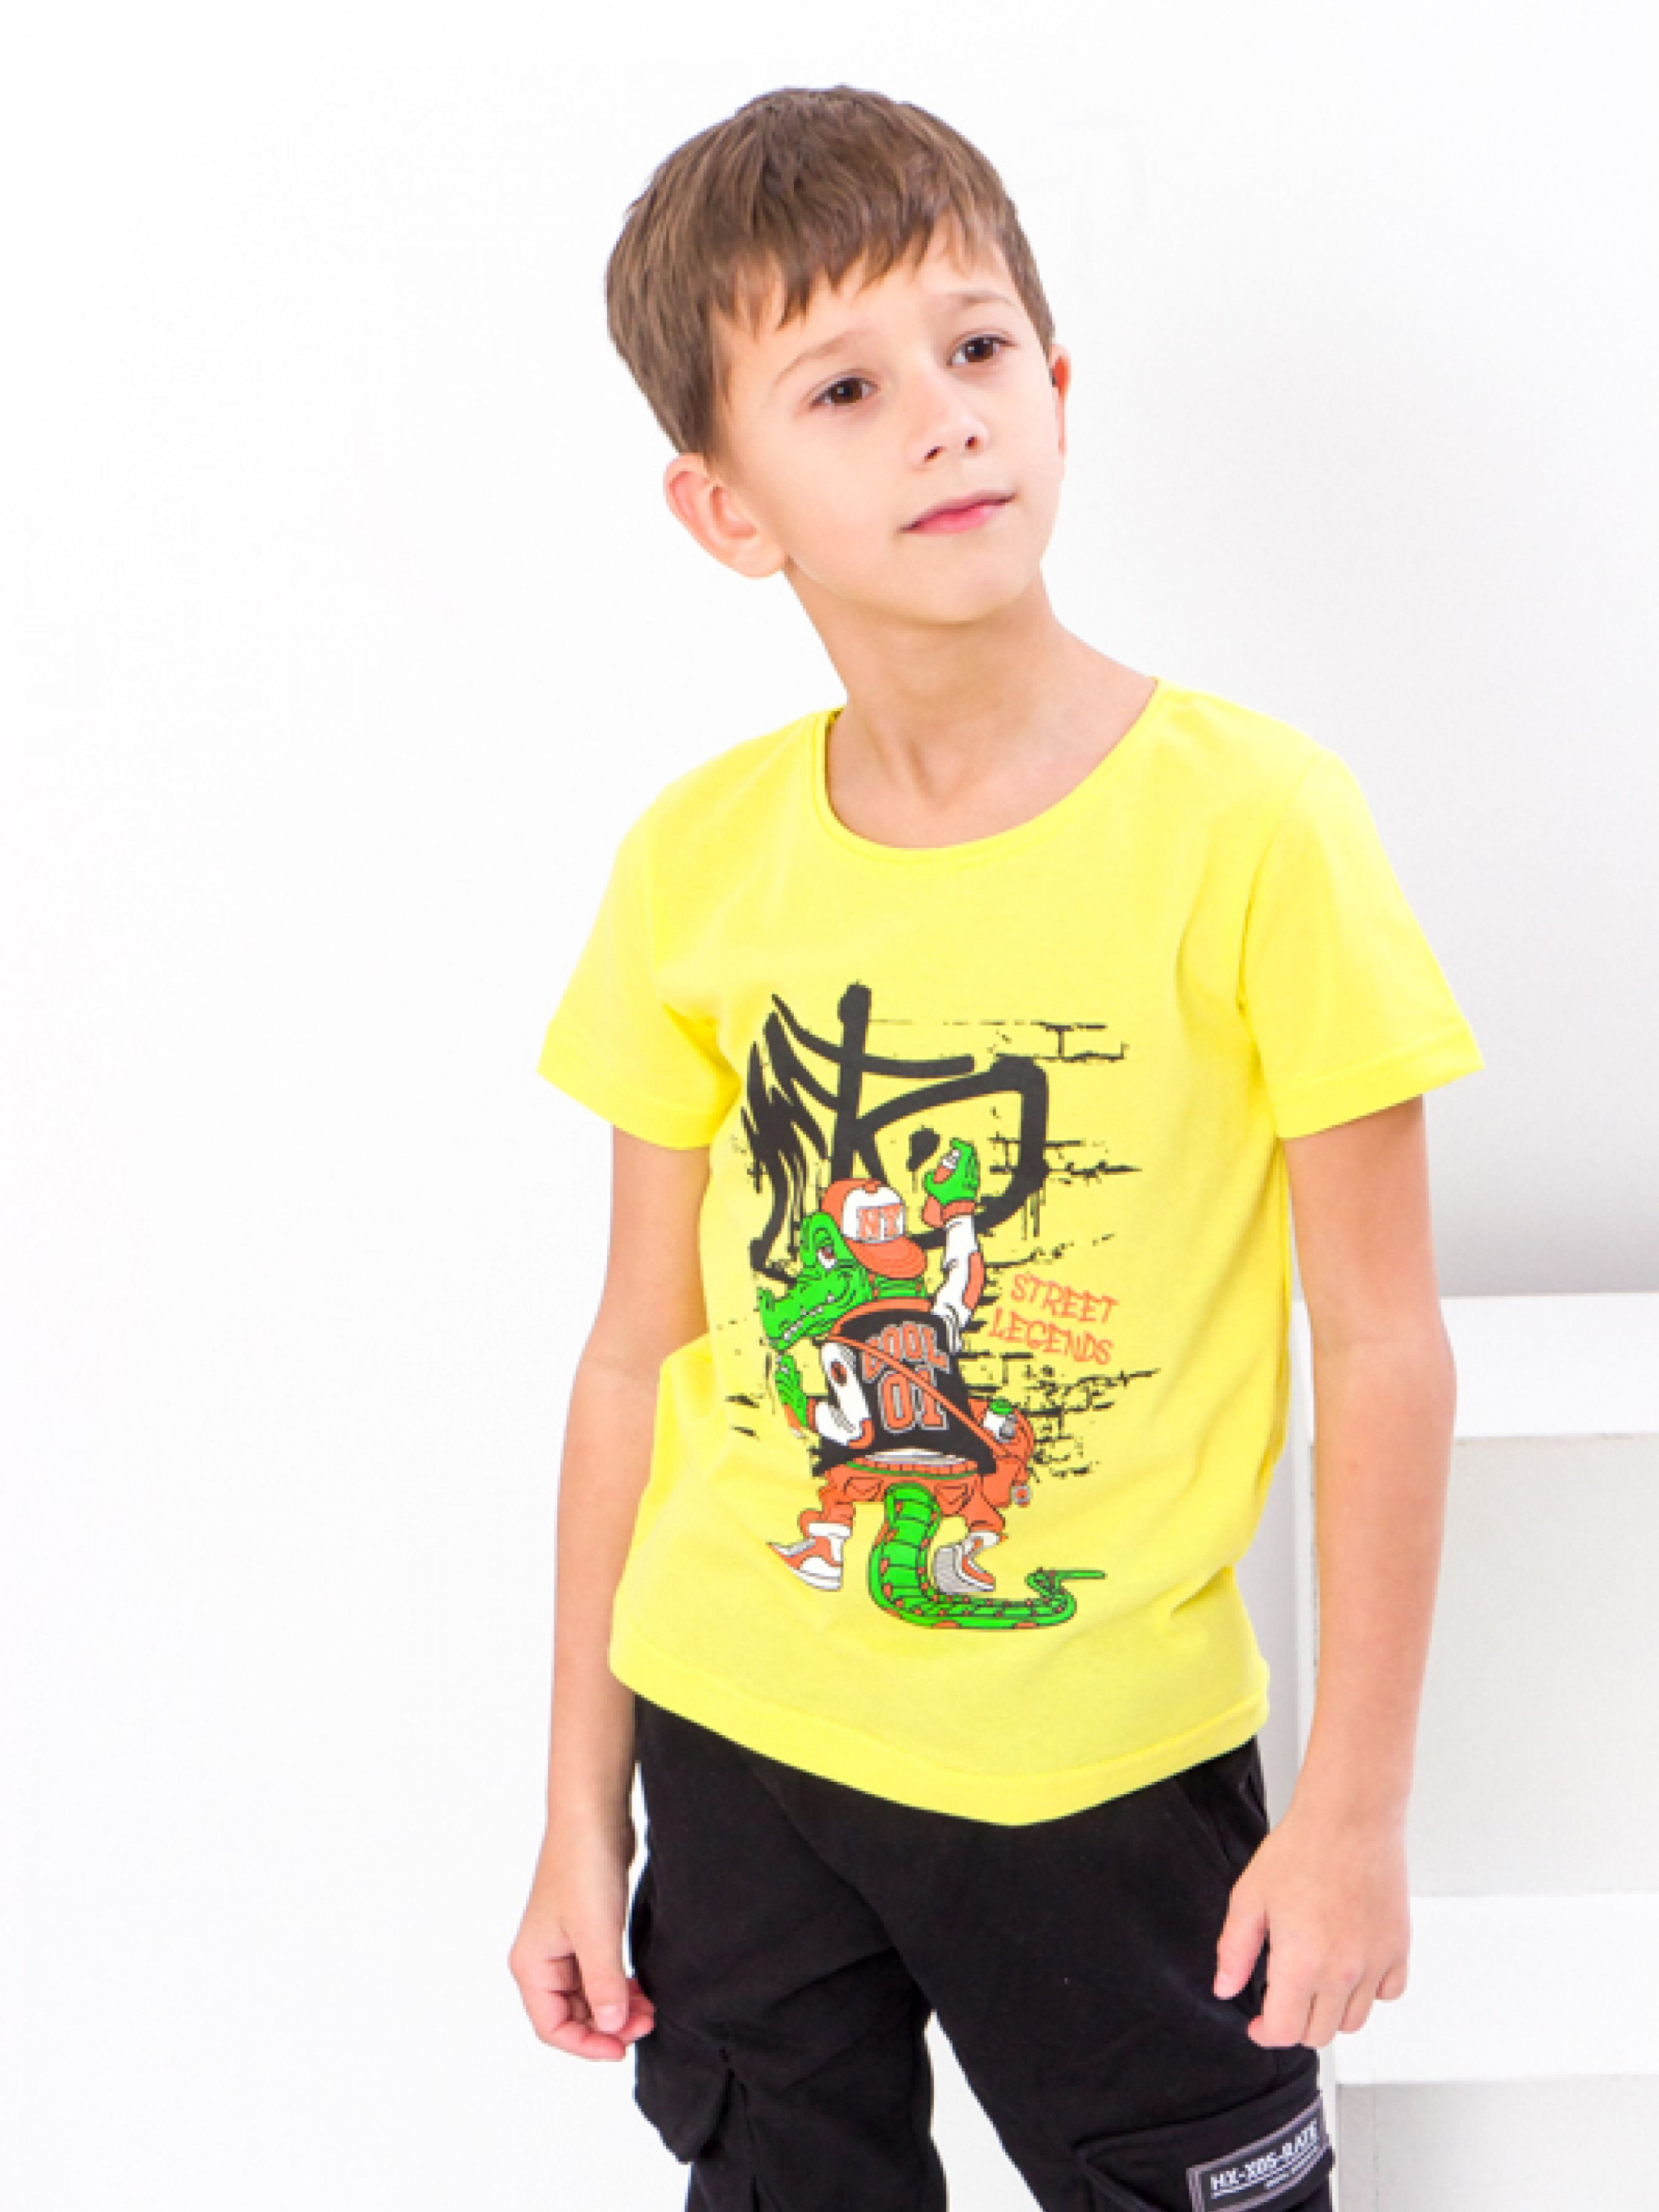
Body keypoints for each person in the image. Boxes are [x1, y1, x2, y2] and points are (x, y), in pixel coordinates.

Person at [509, 84, 1484, 2212]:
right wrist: (582, 1807)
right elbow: (633, 1355)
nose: (942, 419)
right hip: (737, 1733)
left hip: (1102, 1768)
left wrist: (1352, 1807)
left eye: (973, 350)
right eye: (843, 388)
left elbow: (1383, 1341)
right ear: (725, 509)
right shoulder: (695, 861)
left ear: (1054, 384)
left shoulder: (1257, 829)